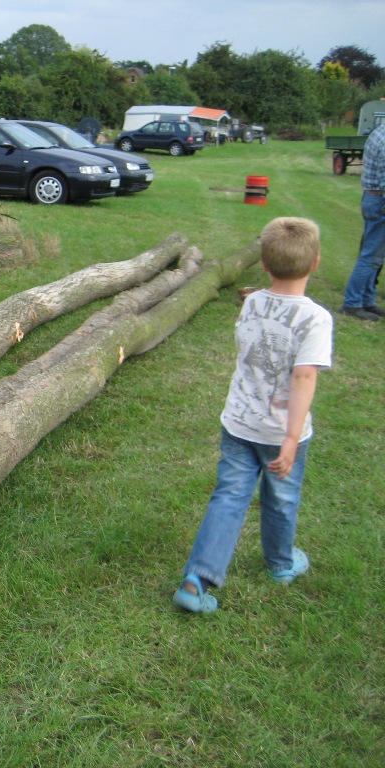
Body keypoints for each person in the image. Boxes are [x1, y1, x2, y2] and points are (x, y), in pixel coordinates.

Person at [174, 217, 333, 614]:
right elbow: (304, 375)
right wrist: (292, 437)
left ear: (263, 263)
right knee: (281, 498)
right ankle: (280, 564)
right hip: (280, 434)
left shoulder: (253, 302)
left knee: (229, 496)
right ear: (316, 263)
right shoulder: (316, 318)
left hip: (239, 423)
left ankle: (197, 580)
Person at [340, 121, 385, 321]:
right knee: (370, 257)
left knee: (375, 257)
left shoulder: (379, 132)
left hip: (374, 199)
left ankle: (367, 301)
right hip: (380, 202)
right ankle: (352, 303)